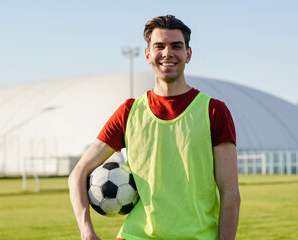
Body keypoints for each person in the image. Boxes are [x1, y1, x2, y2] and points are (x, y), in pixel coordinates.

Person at [69, 15, 241, 240]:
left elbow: (230, 193)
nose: (167, 53)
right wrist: (86, 231)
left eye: (176, 46)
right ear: (148, 54)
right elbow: (78, 173)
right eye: (159, 46)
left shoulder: (214, 111)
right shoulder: (129, 112)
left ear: (188, 54)